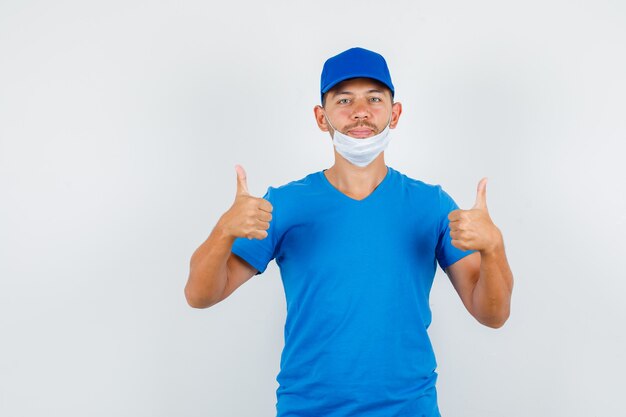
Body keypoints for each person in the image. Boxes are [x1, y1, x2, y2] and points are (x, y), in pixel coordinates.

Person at [185, 47, 514, 417]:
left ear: (396, 112)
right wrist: (223, 231)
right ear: (321, 117)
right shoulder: (284, 204)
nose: (361, 111)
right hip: (308, 409)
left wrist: (493, 249)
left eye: (374, 98)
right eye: (344, 100)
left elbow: (493, 314)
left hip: (409, 408)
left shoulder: (433, 205)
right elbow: (200, 295)